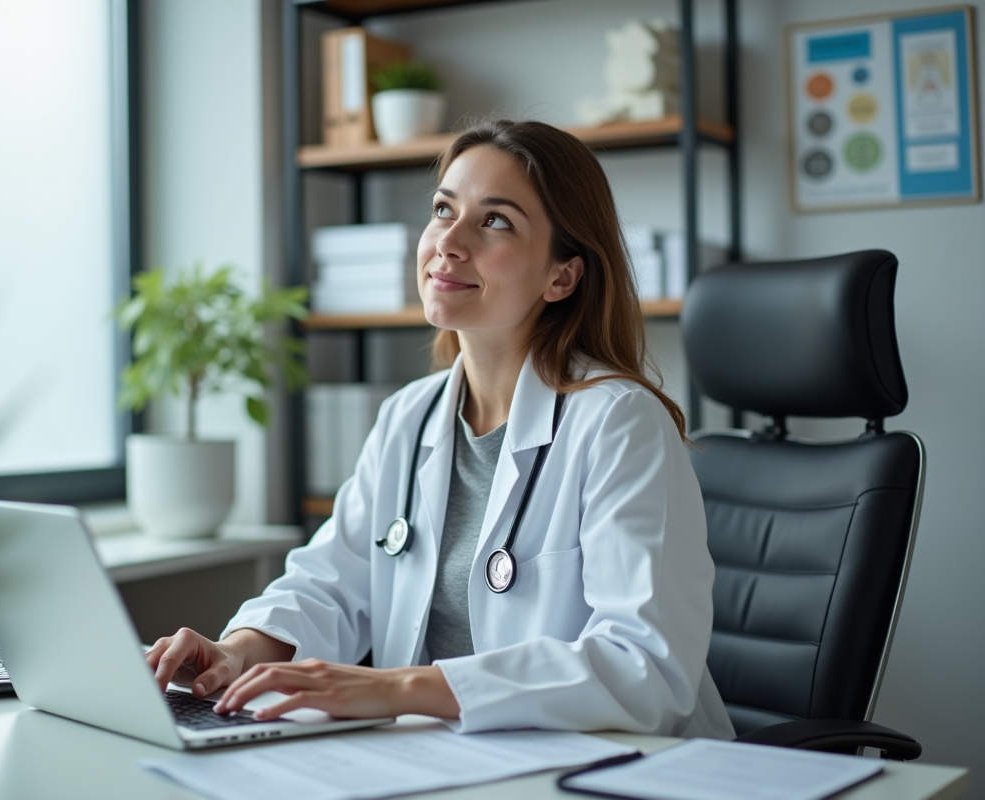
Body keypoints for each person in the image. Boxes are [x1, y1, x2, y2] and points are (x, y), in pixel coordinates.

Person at [145, 119, 735, 739]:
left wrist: (398, 687)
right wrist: (237, 650)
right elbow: (330, 584)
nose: (447, 243)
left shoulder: (617, 422)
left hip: (604, 767)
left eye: (495, 220)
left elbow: (644, 667)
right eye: (442, 210)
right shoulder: (411, 416)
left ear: (562, 276)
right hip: (447, 761)